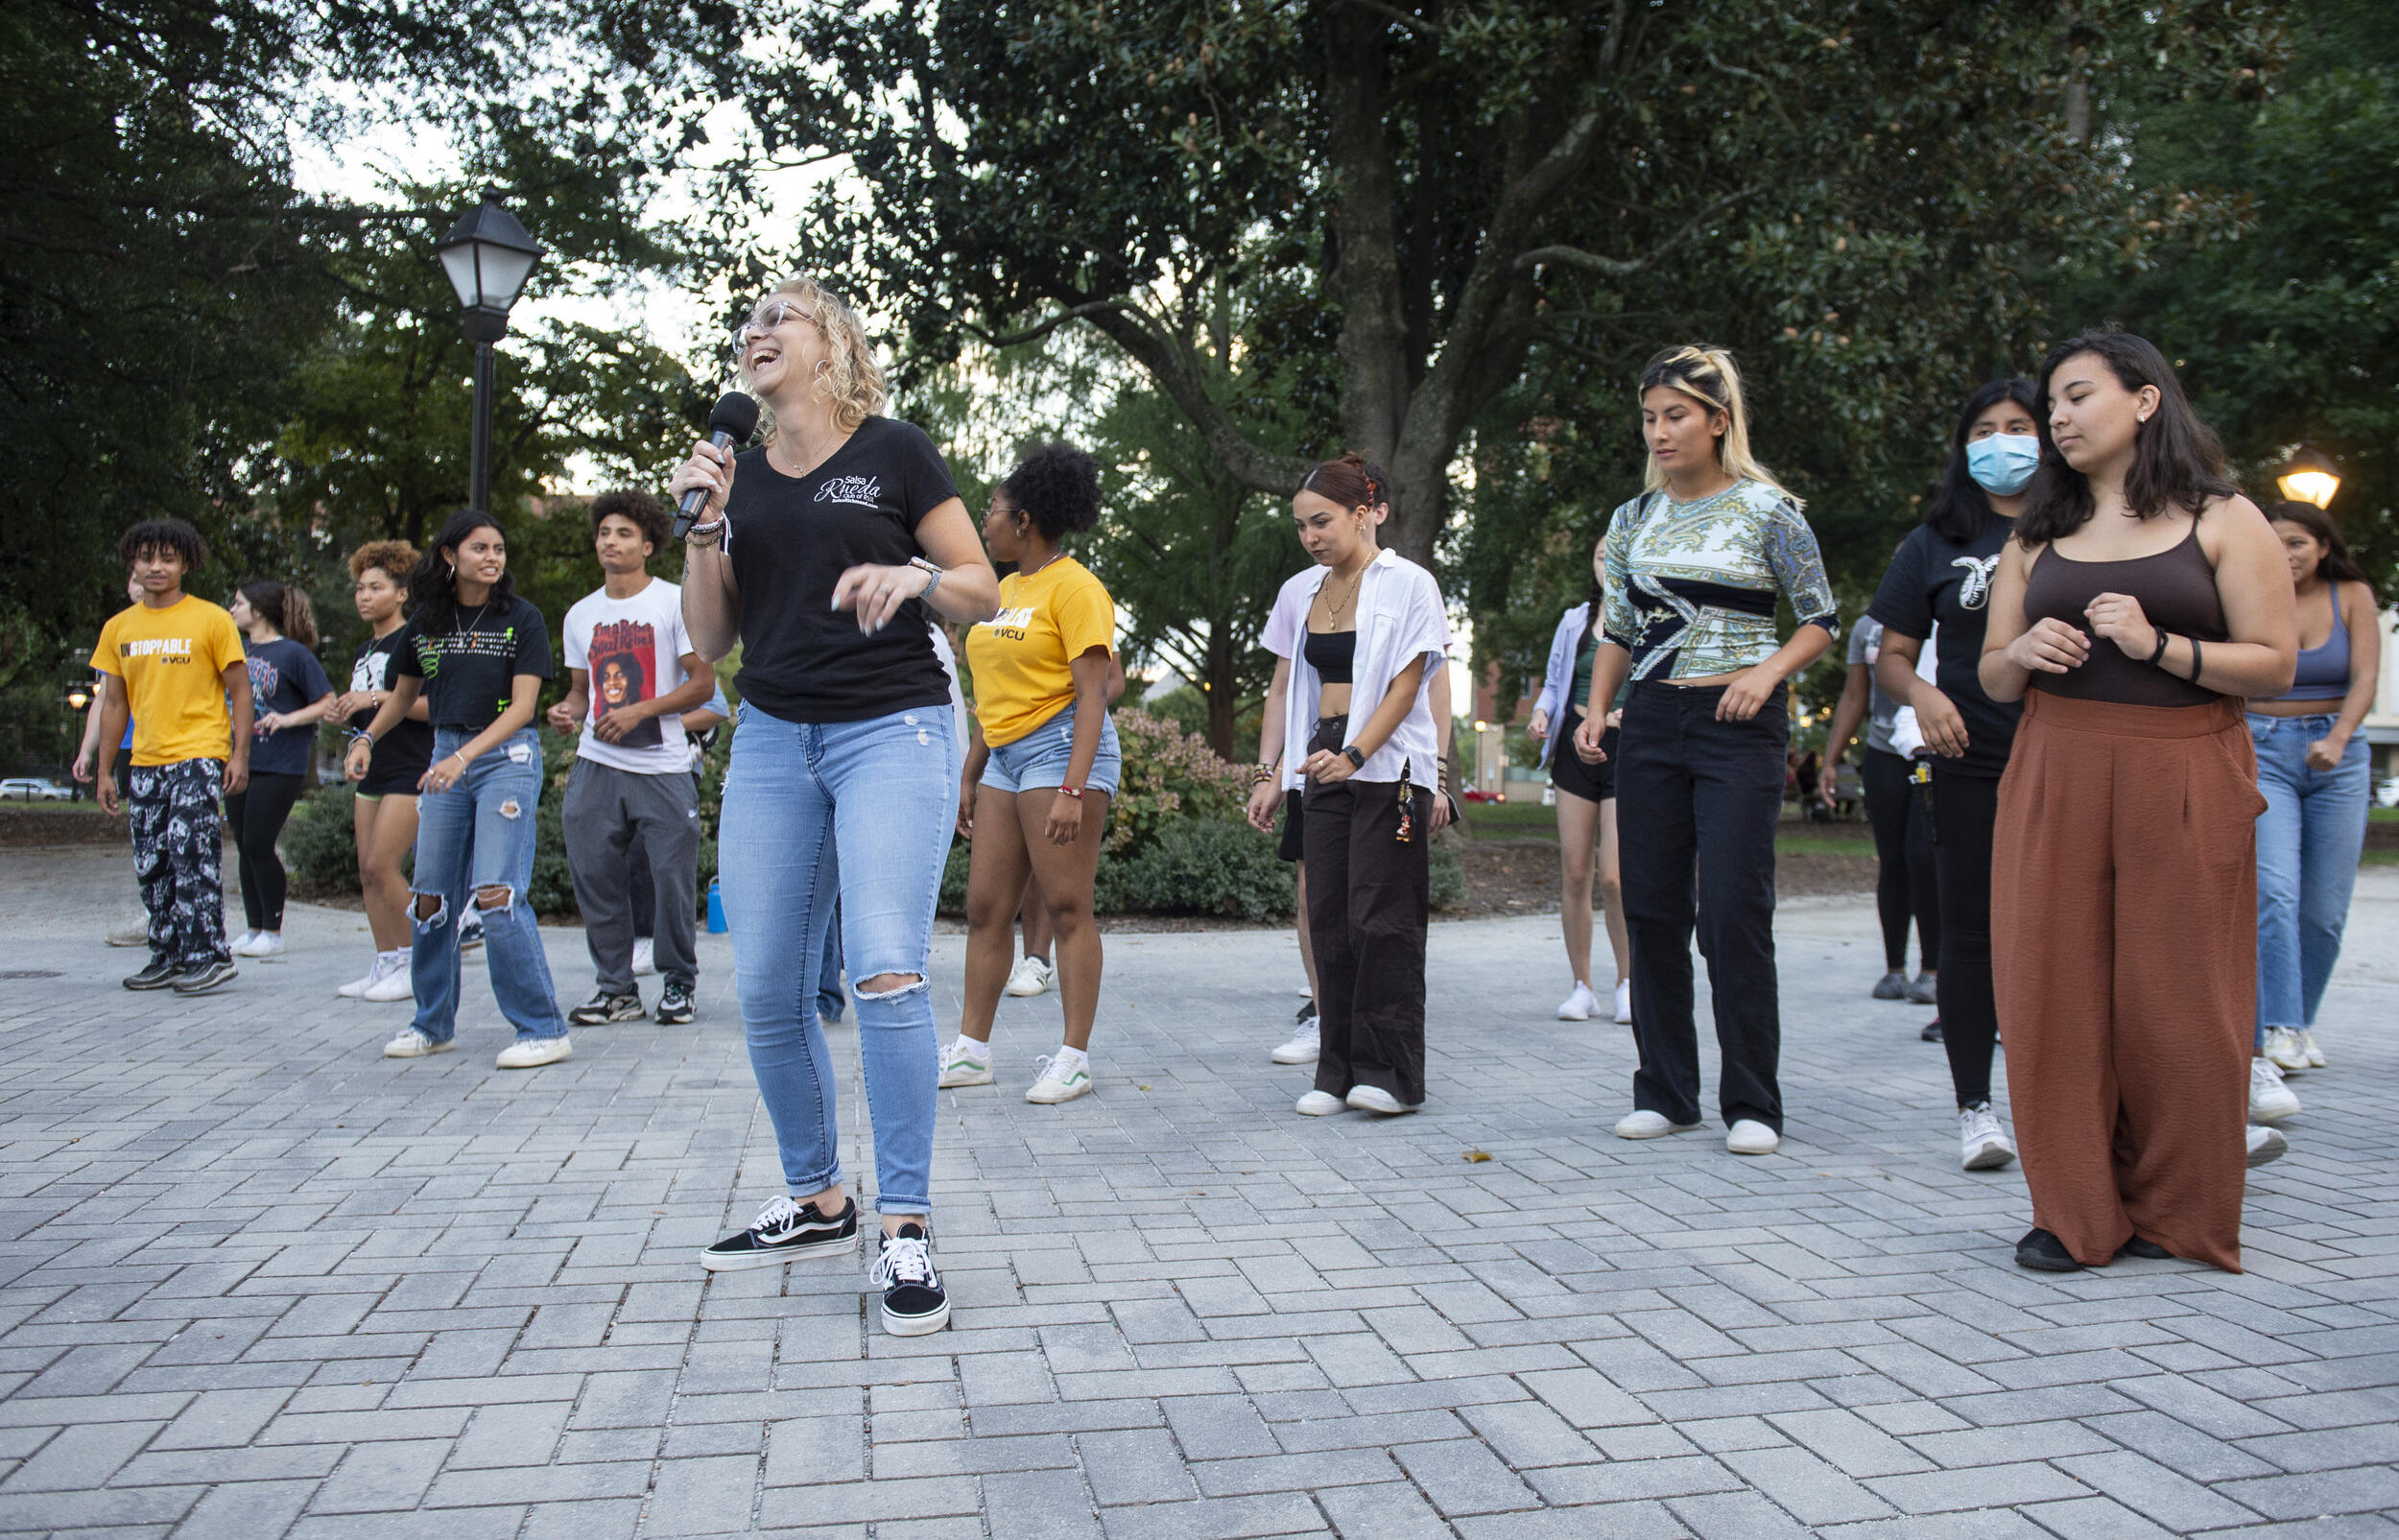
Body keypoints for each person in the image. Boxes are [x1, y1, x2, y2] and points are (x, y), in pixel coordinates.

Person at [672, 276, 1000, 1337]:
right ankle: (817, 1198)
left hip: (889, 729)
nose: (757, 330)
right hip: (771, 736)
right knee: (766, 984)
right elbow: (713, 640)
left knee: (885, 966)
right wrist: (703, 532)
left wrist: (915, 576)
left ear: (833, 345)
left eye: (782, 317)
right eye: (748, 318)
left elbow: (981, 586)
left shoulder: (892, 451)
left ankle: (903, 1225)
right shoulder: (742, 476)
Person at [1980, 326, 2295, 1273]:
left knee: (2179, 1000)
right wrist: (2020, 655)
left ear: (2145, 400)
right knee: (2051, 991)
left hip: (2186, 770)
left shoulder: (2223, 517)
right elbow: (1993, 674)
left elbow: (2274, 665)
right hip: (2055, 770)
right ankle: (2071, 1212)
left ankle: (2175, 1212)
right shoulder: (2035, 535)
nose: (2058, 419)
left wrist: (2160, 646)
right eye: (2052, 407)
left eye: (2077, 396)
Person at [1572, 344, 1837, 1158]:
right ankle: (1666, 1092)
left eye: (1676, 415)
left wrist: (1767, 674)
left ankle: (1753, 1101)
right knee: (1648, 905)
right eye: (1650, 417)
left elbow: (1821, 619)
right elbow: (1619, 627)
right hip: (1649, 722)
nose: (1659, 431)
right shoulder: (1631, 520)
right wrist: (1598, 708)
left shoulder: (1771, 511)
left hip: (1738, 724)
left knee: (1730, 912)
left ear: (1719, 423)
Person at [1247, 453, 1451, 1117]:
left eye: (1323, 521)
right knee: (1328, 915)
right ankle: (1335, 1069)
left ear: (1364, 514)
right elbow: (1284, 688)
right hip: (1318, 760)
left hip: (1387, 765)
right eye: (1302, 525)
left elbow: (1408, 683)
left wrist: (1359, 753)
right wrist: (1271, 772)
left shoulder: (1409, 583)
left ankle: (1390, 1073)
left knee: (1379, 918)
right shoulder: (1299, 591)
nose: (1311, 536)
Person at [1867, 379, 2036, 1172]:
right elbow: (1890, 653)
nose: (2001, 442)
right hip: (1970, 755)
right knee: (1970, 931)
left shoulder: (2086, 524)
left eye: (2019, 426)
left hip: (2070, 752)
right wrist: (1924, 695)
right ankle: (1977, 1108)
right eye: (1984, 429)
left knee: (2070, 931)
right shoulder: (1935, 539)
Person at [346, 510, 573, 1070]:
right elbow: (400, 698)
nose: (493, 557)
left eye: (499, 548)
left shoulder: (521, 619)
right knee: (430, 900)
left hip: (505, 758)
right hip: (448, 754)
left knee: (497, 893)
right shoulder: (426, 623)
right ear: (450, 556)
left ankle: (542, 1029)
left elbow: (524, 708)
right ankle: (431, 1023)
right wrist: (366, 740)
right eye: (480, 548)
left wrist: (462, 757)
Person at [941, 443, 1121, 1104]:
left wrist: (1074, 787)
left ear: (1024, 521)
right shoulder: (1004, 589)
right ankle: (972, 1050)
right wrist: (971, 768)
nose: (983, 521)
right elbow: (993, 694)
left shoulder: (1076, 587)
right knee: (987, 906)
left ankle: (1074, 1056)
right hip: (1005, 754)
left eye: (991, 510)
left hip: (1061, 749)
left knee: (1068, 906)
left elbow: (1095, 693)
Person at [547, 491, 717, 1028]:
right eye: (604, 533)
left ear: (647, 544)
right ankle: (616, 990)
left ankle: (677, 984)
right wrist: (567, 711)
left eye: (623, 534)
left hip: (662, 767)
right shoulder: (581, 614)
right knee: (595, 879)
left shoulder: (673, 602)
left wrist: (640, 710)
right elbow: (582, 691)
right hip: (595, 764)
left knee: (668, 883)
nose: (610, 542)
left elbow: (704, 686)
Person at [2245, 500, 2381, 1116]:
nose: (2287, 554)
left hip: (2339, 755)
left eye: (2297, 543)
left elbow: (2366, 678)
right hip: (2263, 747)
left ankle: (2297, 1023)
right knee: (2273, 891)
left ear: (2323, 546)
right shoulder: (2247, 590)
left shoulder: (2350, 594)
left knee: (2324, 910)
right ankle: (2280, 1028)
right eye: (2275, 543)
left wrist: (2338, 738)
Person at [92, 519, 252, 995]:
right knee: (152, 861)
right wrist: (104, 770)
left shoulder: (211, 619)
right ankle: (167, 954)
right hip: (144, 760)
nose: (155, 566)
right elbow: (115, 703)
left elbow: (240, 691)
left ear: (186, 563)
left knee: (191, 853)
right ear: (133, 563)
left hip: (198, 754)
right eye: (146, 558)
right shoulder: (118, 628)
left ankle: (209, 955)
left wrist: (238, 755)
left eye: (166, 558)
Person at [329, 542, 433, 1002]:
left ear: (402, 593)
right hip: (372, 768)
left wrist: (374, 699)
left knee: (382, 864)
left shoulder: (417, 639)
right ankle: (386, 961)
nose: (364, 596)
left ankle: (417, 963)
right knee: (366, 872)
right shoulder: (363, 648)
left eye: (377, 587)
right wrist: (349, 718)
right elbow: (367, 709)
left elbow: (432, 705)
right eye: (360, 588)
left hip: (410, 766)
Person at [1528, 575, 1631, 1026]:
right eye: (1600, 555)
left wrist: (1632, 711)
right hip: (1575, 747)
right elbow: (1554, 683)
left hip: (1627, 750)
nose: (1608, 562)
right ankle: (1582, 988)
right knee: (1574, 871)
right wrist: (1541, 712)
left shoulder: (1648, 616)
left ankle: (1628, 985)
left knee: (1614, 878)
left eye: (1615, 554)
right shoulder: (1574, 622)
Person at [1821, 614, 1938, 1006]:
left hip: (1932, 747)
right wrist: (1830, 760)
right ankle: (1894, 969)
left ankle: (1933, 969)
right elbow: (1855, 695)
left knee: (1924, 857)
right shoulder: (1867, 627)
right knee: (1893, 861)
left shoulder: (1942, 614)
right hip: (1884, 752)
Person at [224, 581, 336, 960]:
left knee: (258, 841)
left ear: (259, 611)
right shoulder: (237, 651)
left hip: (280, 763)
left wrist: (287, 719)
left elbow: (327, 702)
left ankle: (273, 930)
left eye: (238, 603)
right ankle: (254, 928)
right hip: (241, 760)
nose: (231, 609)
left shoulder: (293, 654)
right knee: (243, 843)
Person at [74, 574, 154, 948]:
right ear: (128, 587)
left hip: (172, 742)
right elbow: (104, 699)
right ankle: (153, 913)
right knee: (143, 830)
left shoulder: (182, 627)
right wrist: (89, 752)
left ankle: (177, 916)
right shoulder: (120, 630)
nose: (142, 584)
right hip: (128, 744)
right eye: (135, 578)